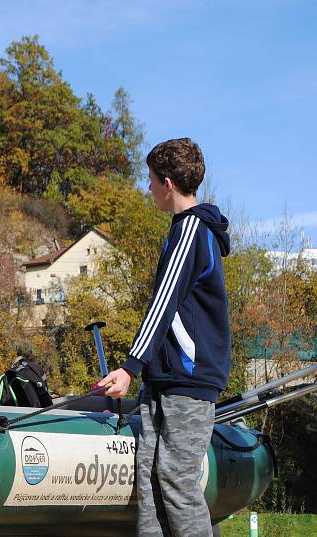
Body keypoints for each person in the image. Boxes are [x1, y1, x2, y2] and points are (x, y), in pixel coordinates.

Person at [98, 138, 230, 537]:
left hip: (188, 383)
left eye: (151, 180)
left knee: (176, 481)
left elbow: (163, 303)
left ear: (167, 183)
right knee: (151, 484)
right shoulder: (186, 230)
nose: (149, 188)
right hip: (167, 379)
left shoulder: (191, 230)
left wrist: (129, 367)